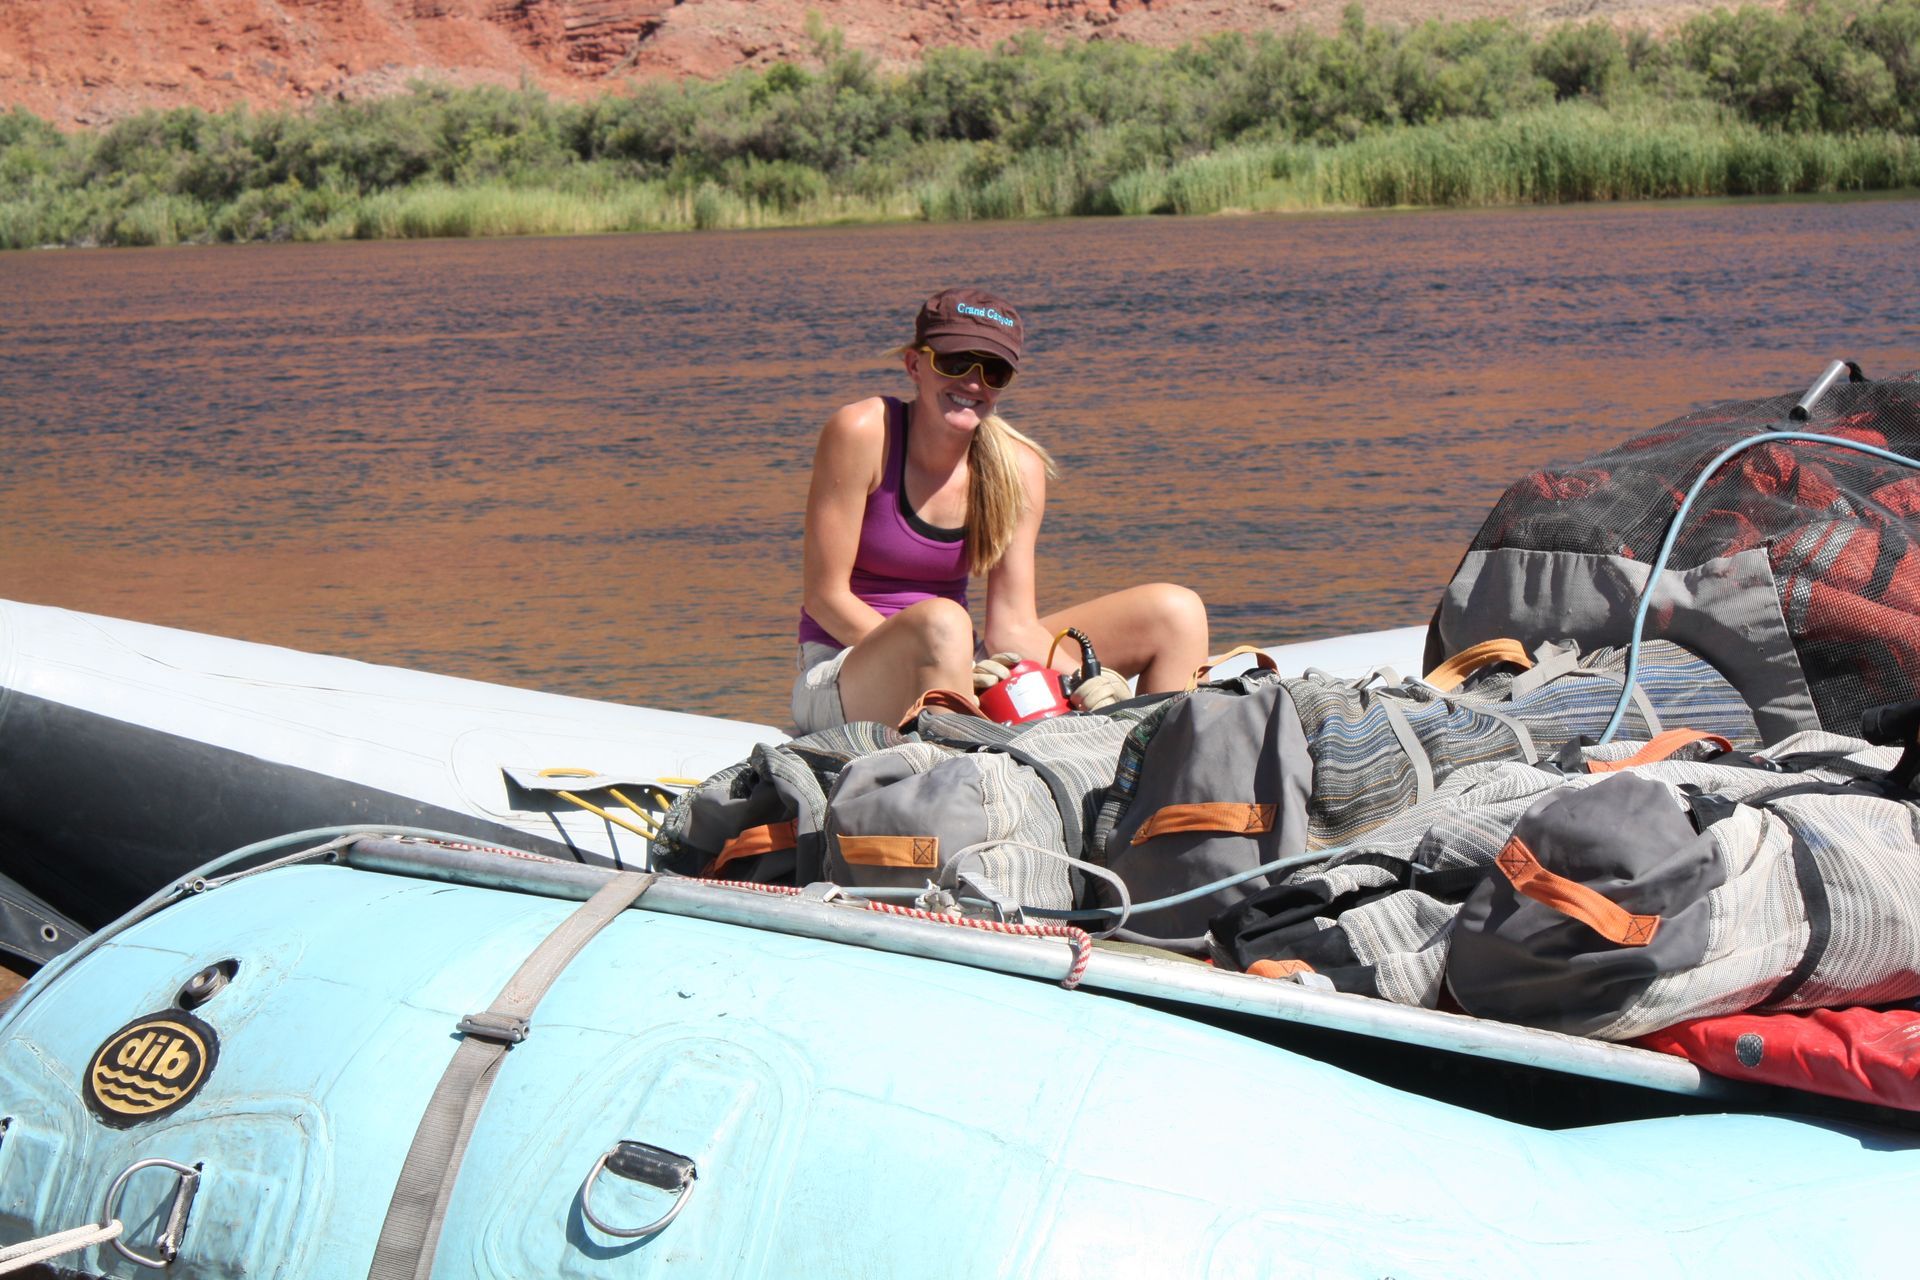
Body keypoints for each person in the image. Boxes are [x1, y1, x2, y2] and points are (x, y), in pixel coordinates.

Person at [792, 286, 1210, 734]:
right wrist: (950, 666)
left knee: (1177, 613)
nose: (973, 382)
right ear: (915, 364)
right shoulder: (862, 432)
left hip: (957, 658)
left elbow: (1011, 626)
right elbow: (825, 598)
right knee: (945, 620)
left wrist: (1082, 681)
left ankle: (1159, 787)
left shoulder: (1018, 467)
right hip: (842, 668)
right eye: (954, 363)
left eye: (993, 371)